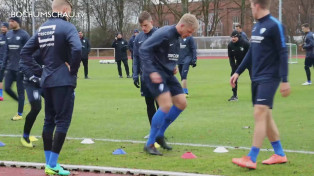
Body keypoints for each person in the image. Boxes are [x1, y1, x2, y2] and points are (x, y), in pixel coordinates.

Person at [20, 0, 81, 175]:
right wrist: (73, 71)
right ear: (64, 9)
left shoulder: (42, 28)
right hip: (63, 81)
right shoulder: (67, 27)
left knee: (49, 121)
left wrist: (41, 71)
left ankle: (50, 164)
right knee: (62, 121)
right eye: (69, 11)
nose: (69, 14)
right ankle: (52, 165)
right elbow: (77, 49)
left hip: (47, 81)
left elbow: (25, 53)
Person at [230, 0, 290, 169]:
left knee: (259, 113)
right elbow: (251, 52)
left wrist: (285, 80)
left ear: (256, 5)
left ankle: (251, 157)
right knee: (266, 116)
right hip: (256, 77)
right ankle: (279, 154)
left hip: (270, 77)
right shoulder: (256, 27)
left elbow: (283, 53)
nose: (251, 9)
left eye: (250, 6)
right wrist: (237, 72)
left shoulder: (275, 25)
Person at [139, 13, 199, 155]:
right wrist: (151, 71)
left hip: (167, 74)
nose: (189, 35)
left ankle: (160, 134)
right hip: (154, 73)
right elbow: (144, 49)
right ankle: (150, 144)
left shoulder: (178, 37)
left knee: (182, 102)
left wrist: (173, 66)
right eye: (189, 31)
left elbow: (167, 54)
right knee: (166, 104)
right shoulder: (165, 33)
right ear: (182, 25)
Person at [133, 11, 159, 139]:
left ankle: (161, 131)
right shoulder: (138, 38)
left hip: (159, 77)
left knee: (160, 104)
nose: (144, 28)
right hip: (145, 78)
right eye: (142, 26)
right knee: (149, 104)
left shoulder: (159, 35)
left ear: (151, 22)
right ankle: (153, 131)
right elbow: (136, 58)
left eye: (146, 25)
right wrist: (134, 75)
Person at [1, 17, 30, 120]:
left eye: (12, 21)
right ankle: (21, 101)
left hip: (21, 68)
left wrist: (27, 66)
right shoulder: (8, 34)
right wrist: (3, 66)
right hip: (10, 68)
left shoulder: (24, 35)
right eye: (9, 21)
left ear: (17, 22)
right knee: (7, 88)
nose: (10, 23)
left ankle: (20, 114)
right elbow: (6, 52)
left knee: (20, 91)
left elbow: (30, 51)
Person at [20, 50, 43, 148]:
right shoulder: (35, 47)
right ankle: (25, 136)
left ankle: (47, 136)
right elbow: (22, 63)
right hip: (32, 83)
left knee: (54, 105)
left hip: (45, 81)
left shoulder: (53, 47)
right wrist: (32, 77)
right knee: (36, 108)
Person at [227, 30, 250, 101]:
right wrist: (233, 67)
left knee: (254, 76)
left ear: (238, 37)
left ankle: (258, 95)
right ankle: (234, 95)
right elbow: (231, 57)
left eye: (235, 37)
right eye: (232, 37)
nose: (233, 38)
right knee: (233, 76)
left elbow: (252, 53)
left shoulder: (245, 43)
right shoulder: (230, 45)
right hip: (239, 62)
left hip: (249, 61)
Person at [0, 22, 9, 101]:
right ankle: (0, 95)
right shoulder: (0, 37)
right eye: (1, 27)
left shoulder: (11, 36)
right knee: (0, 78)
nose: (2, 28)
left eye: (4, 27)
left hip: (10, 61)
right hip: (1, 61)